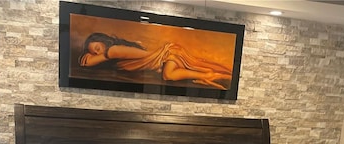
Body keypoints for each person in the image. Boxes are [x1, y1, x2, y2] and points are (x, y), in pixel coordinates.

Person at [78, 33, 233, 89]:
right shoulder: (115, 55)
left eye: (97, 47)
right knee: (168, 73)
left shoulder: (113, 51)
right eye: (93, 52)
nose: (97, 53)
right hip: (166, 58)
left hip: (167, 54)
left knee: (168, 75)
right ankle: (208, 74)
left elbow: (86, 63)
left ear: (103, 41)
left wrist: (90, 58)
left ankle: (209, 75)